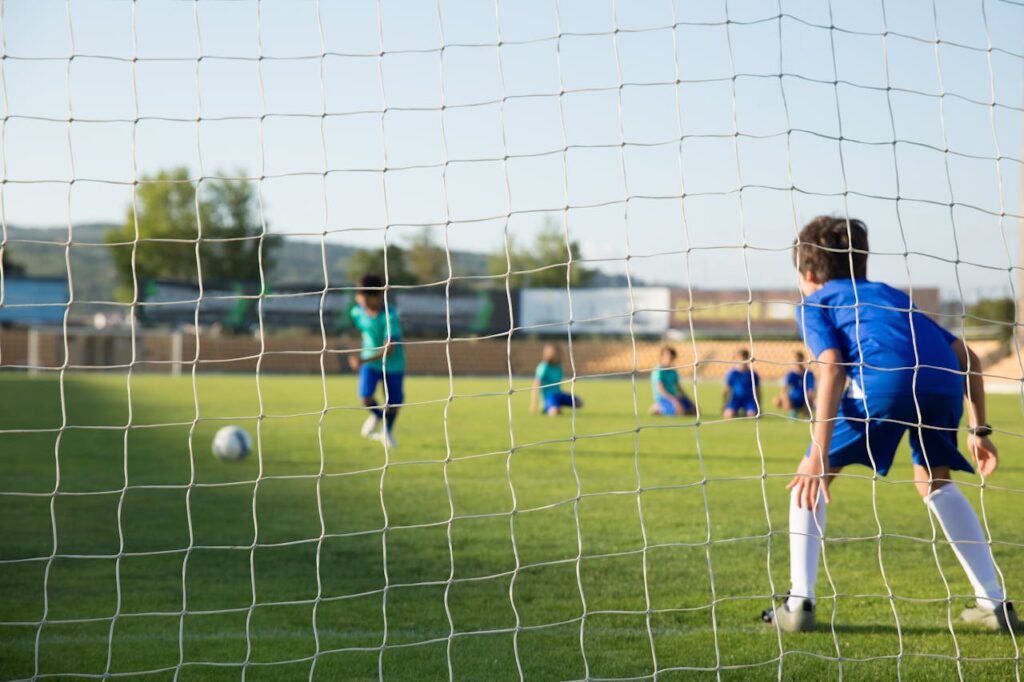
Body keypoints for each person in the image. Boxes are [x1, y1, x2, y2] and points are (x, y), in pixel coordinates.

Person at [762, 216, 1016, 633]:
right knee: (936, 481)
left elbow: (830, 365)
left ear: (807, 274)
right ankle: (994, 602)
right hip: (941, 382)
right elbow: (967, 356)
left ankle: (799, 601)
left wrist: (817, 454)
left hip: (888, 382)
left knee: (810, 476)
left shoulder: (815, 302)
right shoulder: (892, 296)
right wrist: (979, 430)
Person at [348, 274, 404, 449]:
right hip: (371, 364)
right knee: (365, 397)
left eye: (361, 295)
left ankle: (387, 431)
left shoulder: (389, 315)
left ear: (375, 296)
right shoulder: (357, 312)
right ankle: (379, 416)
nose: (358, 299)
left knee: (394, 403)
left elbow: (390, 348)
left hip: (393, 364)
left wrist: (362, 359)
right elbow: (365, 330)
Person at [530, 344, 583, 416]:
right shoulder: (544, 367)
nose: (557, 355)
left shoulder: (559, 367)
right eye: (555, 353)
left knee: (579, 402)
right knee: (554, 412)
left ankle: (558, 405)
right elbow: (536, 383)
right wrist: (534, 403)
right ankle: (548, 407)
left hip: (559, 394)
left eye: (558, 353)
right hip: (549, 397)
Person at [649, 346, 696, 416]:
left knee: (694, 410)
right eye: (667, 355)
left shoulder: (673, 371)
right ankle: (657, 407)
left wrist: (689, 400)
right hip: (663, 398)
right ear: (662, 356)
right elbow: (661, 389)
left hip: (675, 397)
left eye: (671, 356)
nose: (669, 358)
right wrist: (674, 400)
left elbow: (679, 387)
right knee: (680, 411)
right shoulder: (659, 370)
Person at [774, 350, 816, 418]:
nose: (796, 363)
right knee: (777, 400)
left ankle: (806, 410)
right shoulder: (790, 374)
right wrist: (785, 398)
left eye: (798, 360)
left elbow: (811, 391)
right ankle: (792, 411)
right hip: (793, 399)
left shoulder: (808, 374)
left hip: (805, 400)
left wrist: (807, 402)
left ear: (802, 360)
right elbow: (784, 389)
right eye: (795, 360)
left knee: (817, 401)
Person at [722, 348, 761, 418]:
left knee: (752, 415)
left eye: (745, 359)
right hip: (735, 400)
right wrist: (724, 404)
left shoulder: (752, 374)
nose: (743, 361)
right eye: (741, 359)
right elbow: (726, 390)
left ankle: (746, 412)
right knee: (728, 415)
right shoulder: (732, 373)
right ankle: (735, 412)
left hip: (749, 400)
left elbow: (758, 390)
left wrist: (759, 406)